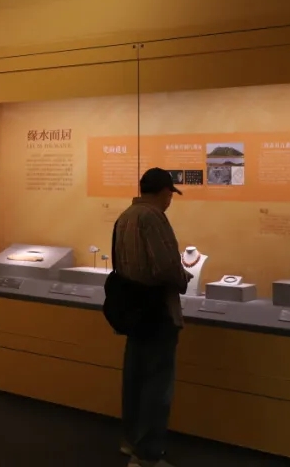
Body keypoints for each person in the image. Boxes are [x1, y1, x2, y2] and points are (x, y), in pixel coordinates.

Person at [115, 167, 192, 467]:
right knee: (157, 385)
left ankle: (130, 441)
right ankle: (147, 455)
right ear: (164, 192)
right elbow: (165, 267)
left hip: (133, 310)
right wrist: (184, 279)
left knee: (135, 380)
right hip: (157, 311)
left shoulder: (126, 216)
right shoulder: (153, 217)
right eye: (170, 194)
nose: (170, 200)